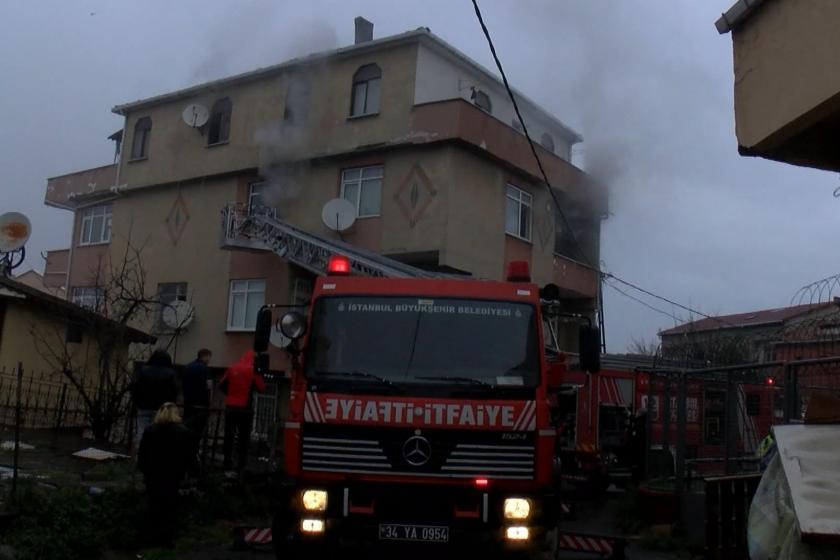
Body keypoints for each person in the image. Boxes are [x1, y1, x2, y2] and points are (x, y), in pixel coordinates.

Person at [137, 402, 195, 547]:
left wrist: (144, 471)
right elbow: (189, 455)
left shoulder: (150, 430)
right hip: (173, 476)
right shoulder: (183, 432)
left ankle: (151, 538)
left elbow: (142, 454)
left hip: (153, 475)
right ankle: (166, 539)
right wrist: (188, 472)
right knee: (169, 508)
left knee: (153, 507)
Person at [219, 350, 266, 472]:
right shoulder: (253, 370)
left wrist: (230, 395)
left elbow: (221, 384)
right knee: (243, 437)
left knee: (229, 435)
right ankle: (241, 464)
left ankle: (227, 461)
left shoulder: (233, 367)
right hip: (245, 408)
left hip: (230, 407)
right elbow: (262, 388)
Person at [131, 349, 178, 450]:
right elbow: (174, 391)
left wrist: (136, 401)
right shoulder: (171, 373)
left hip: (144, 405)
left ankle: (140, 453)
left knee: (142, 430)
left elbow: (136, 387)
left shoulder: (144, 370)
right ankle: (154, 454)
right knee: (159, 432)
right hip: (162, 408)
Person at [182, 348, 213, 463]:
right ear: (205, 356)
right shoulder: (205, 370)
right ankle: (193, 453)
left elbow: (183, 384)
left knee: (187, 427)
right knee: (198, 431)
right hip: (201, 405)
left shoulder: (188, 367)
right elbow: (209, 387)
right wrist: (209, 402)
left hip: (188, 403)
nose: (209, 360)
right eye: (209, 357)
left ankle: (185, 451)